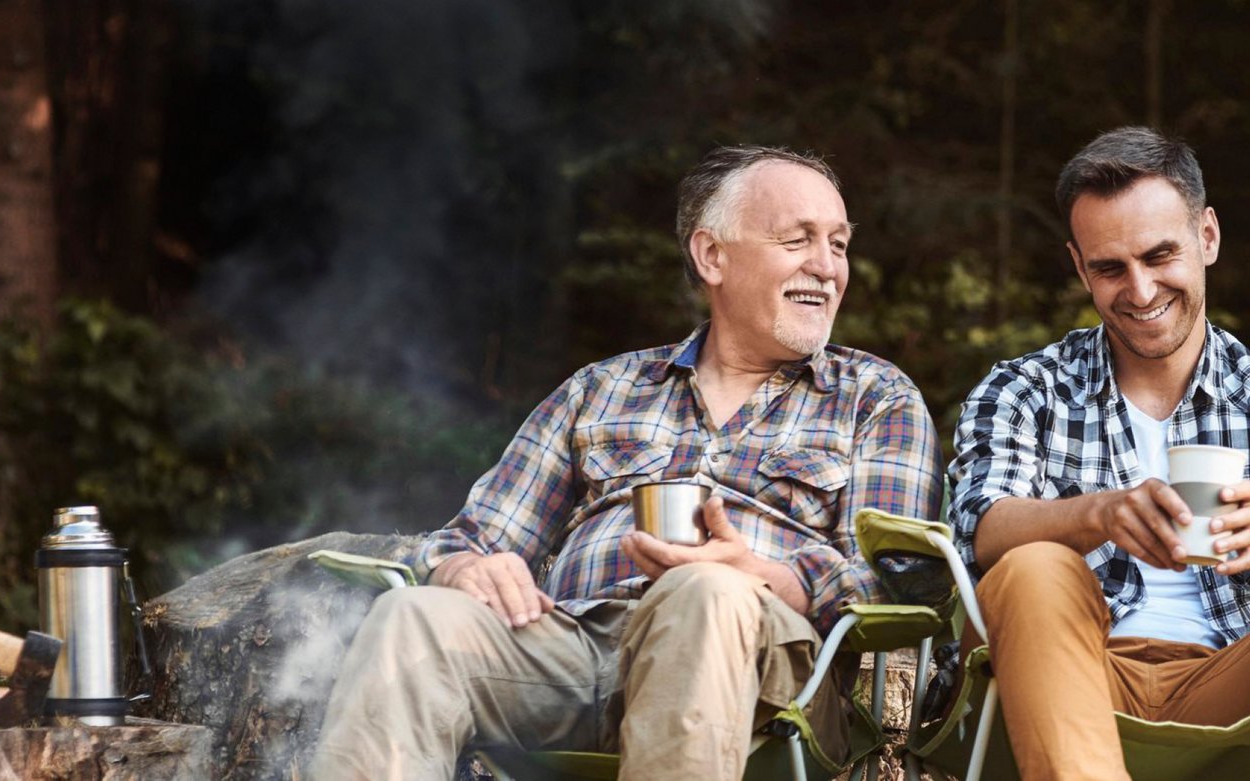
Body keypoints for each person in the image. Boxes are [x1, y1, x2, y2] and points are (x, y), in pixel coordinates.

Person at [310, 145, 943, 781]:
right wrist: (464, 567)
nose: (827, 267)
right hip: (577, 650)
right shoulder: (602, 388)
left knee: (704, 591)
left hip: (764, 667)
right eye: (798, 239)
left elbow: (900, 577)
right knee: (414, 616)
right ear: (712, 256)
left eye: (838, 244)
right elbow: (471, 537)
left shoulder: (874, 397)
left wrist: (766, 574)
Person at [950, 126, 1250, 781]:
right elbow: (978, 527)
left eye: (1159, 255)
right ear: (1080, 266)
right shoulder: (1024, 388)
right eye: (1111, 267)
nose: (1140, 291)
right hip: (1063, 670)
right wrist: (1099, 514)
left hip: (1229, 685)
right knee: (1032, 566)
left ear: (1208, 237)